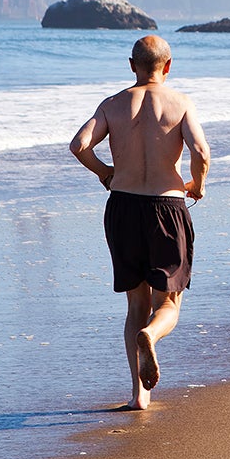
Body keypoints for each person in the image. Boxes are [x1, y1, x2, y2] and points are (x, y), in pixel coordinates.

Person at [69, 34, 210, 410]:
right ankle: (152, 334)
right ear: (168, 65)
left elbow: (79, 145)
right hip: (166, 207)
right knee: (169, 302)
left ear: (132, 65)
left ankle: (139, 396)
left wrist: (105, 174)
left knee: (135, 304)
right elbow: (200, 150)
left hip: (123, 207)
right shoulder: (180, 103)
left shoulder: (113, 104)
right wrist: (197, 185)